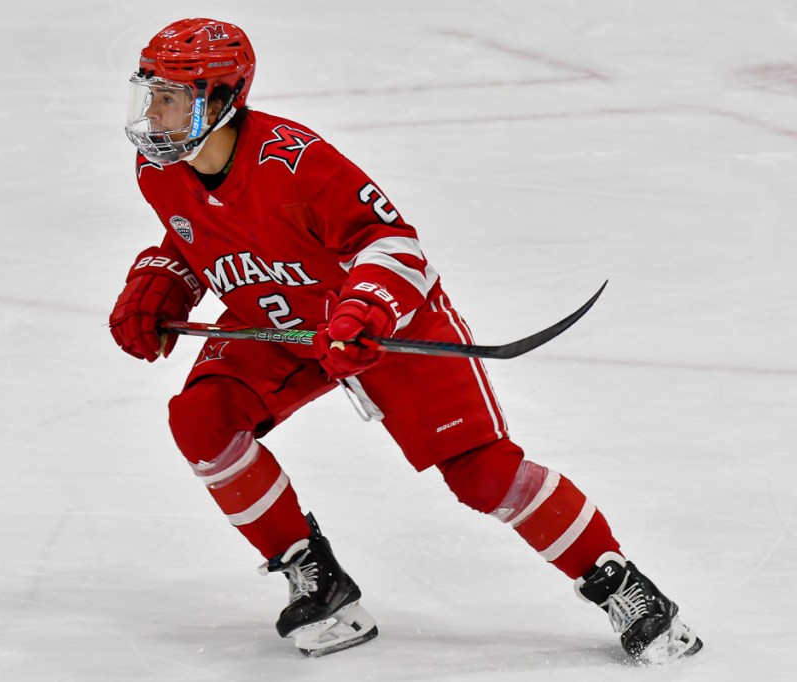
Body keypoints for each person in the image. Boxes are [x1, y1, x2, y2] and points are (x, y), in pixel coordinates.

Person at [109, 17, 702, 663]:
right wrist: (164, 279)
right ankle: (316, 579)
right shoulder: (158, 170)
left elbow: (394, 245)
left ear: (224, 98)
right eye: (151, 94)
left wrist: (366, 310)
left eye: (172, 98)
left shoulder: (297, 161)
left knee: (482, 474)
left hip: (384, 324)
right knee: (201, 417)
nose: (154, 115)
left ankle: (623, 585)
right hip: (278, 321)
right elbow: (203, 234)